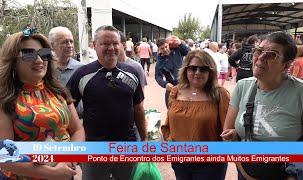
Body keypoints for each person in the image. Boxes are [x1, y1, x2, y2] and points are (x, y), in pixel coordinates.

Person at [221, 32, 303, 180]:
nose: (260, 58)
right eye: (259, 51)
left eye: (272, 54)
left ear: (286, 65)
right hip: (246, 171)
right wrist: (244, 171)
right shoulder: (242, 87)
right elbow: (227, 134)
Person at [0, 29, 85, 179]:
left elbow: (77, 130)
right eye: (28, 54)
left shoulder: (59, 91)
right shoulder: (5, 99)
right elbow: (5, 157)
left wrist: (70, 159)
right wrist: (51, 173)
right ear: (13, 62)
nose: (39, 60)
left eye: (44, 53)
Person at [67, 25, 147, 179]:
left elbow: (138, 108)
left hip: (127, 146)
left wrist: (143, 138)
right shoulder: (82, 74)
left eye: (115, 43)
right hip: (95, 147)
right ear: (94, 45)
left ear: (121, 45)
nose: (111, 48)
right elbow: (68, 109)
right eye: (105, 44)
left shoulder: (132, 72)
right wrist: (75, 141)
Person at [161, 50, 230, 180]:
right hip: (180, 159)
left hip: (210, 163)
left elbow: (227, 130)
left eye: (203, 69)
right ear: (186, 70)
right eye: (193, 68)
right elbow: (169, 123)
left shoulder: (220, 94)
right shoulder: (176, 91)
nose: (197, 72)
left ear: (211, 72)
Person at [155, 36, 189, 107]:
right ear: (159, 49)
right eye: (162, 48)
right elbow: (158, 76)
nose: (165, 49)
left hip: (185, 85)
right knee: (170, 109)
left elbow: (189, 52)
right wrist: (165, 84)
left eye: (166, 46)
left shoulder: (177, 50)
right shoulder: (160, 62)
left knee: (187, 109)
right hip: (172, 88)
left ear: (168, 44)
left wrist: (180, 44)